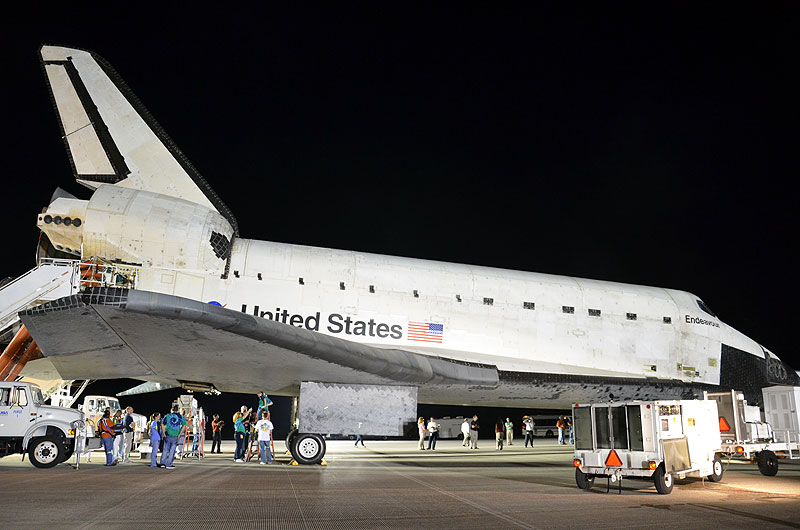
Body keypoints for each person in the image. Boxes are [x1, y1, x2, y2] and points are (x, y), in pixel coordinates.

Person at [160, 405, 187, 469]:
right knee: (172, 450)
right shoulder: (181, 417)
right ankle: (169, 464)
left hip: (168, 435)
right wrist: (180, 434)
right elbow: (184, 426)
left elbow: (162, 424)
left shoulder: (167, 416)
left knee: (165, 449)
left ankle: (162, 463)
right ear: (178, 410)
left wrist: (163, 432)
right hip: (176, 435)